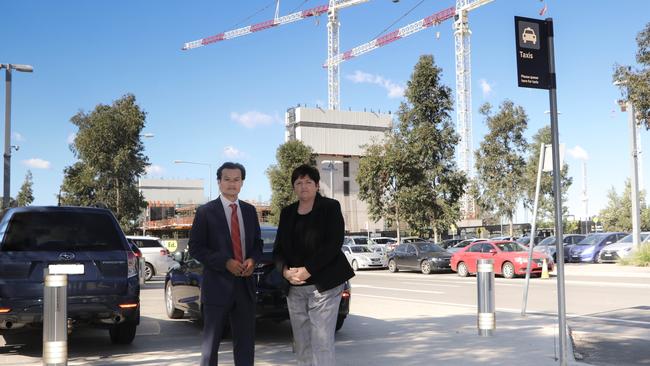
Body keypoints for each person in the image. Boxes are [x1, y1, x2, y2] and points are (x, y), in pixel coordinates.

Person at [273, 164, 354, 366]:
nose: (303, 186)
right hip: (295, 286)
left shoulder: (330, 207)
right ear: (293, 187)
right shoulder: (287, 213)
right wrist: (285, 272)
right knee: (302, 342)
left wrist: (307, 271)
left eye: (308, 182)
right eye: (298, 182)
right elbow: (278, 249)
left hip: (324, 285)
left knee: (322, 341)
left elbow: (333, 243)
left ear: (317, 185)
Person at [188, 162, 263, 366]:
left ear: (242, 183)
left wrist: (253, 260)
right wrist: (225, 262)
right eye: (227, 179)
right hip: (217, 287)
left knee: (245, 345)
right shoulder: (206, 212)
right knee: (210, 347)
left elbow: (258, 243)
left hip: (245, 287)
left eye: (236, 180)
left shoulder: (249, 211)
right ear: (219, 182)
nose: (232, 184)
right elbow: (195, 247)